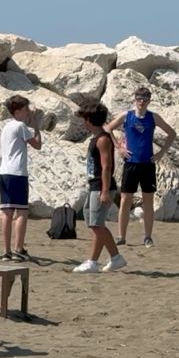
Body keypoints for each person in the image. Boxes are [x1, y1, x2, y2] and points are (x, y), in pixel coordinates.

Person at [112, 86, 175, 247]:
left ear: (149, 101)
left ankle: (148, 236)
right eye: (139, 99)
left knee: (148, 201)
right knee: (126, 199)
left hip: (147, 164)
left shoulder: (153, 118)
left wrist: (161, 152)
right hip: (130, 164)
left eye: (144, 99)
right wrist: (119, 147)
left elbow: (171, 133)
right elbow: (108, 129)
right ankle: (121, 236)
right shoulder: (127, 116)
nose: (141, 102)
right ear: (135, 99)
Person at [73, 101, 126, 273]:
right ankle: (114, 258)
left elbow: (107, 166)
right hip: (94, 186)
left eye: (84, 119)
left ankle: (96, 261)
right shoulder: (96, 138)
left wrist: (104, 191)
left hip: (101, 187)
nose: (83, 122)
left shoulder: (103, 139)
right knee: (94, 223)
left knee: (97, 225)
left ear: (89, 119)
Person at [0, 95, 42, 262]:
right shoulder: (21, 126)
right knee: (22, 211)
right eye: (25, 109)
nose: (28, 112)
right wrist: (36, 125)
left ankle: (6, 250)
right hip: (17, 172)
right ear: (18, 111)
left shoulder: (6, 127)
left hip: (4, 171)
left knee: (6, 212)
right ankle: (18, 248)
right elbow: (37, 144)